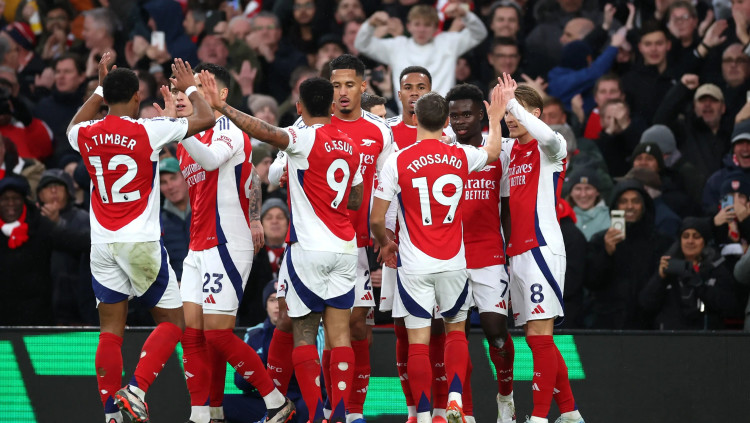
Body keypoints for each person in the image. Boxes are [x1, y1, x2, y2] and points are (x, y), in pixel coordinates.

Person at [199, 72, 364, 423]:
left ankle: (315, 415)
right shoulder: (351, 144)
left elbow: (264, 132)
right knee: (339, 335)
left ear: (299, 107)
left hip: (308, 248)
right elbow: (355, 198)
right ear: (332, 106)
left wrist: (223, 107)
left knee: (303, 332)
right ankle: (339, 414)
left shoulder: (302, 137)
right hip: (345, 247)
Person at [66, 55, 215, 423]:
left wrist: (99, 89)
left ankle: (111, 415)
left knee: (110, 332)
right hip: (140, 241)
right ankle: (135, 390)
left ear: (106, 97)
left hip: (102, 244)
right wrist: (190, 88)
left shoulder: (85, 132)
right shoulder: (149, 130)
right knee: (173, 322)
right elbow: (207, 118)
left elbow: (73, 124)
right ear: (136, 97)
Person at [161, 63, 293, 423]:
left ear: (220, 95)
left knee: (218, 335)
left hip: (226, 243)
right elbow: (249, 178)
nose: (187, 95)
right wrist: (172, 127)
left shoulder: (228, 128)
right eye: (182, 89)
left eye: (196, 87)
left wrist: (180, 129)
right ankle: (203, 413)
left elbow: (211, 161)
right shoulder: (187, 140)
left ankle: (275, 401)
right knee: (192, 334)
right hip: (197, 245)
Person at [370, 77, 505, 423]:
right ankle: (456, 398)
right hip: (453, 262)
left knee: (418, 342)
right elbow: (492, 151)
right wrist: (495, 118)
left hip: (415, 265)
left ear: (415, 118)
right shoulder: (461, 155)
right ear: (446, 121)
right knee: (455, 332)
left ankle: (425, 414)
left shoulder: (397, 161)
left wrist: (386, 243)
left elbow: (376, 218)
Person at [501, 79, 582, 423]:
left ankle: (538, 417)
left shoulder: (553, 146)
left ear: (535, 113)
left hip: (542, 249)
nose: (510, 118)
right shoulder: (509, 150)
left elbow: (546, 136)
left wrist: (512, 103)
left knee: (540, 337)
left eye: (517, 111)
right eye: (507, 112)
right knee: (535, 339)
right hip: (516, 253)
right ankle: (570, 412)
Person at [445, 82, 515, 422]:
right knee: (455, 335)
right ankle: (465, 411)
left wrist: (510, 252)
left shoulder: (500, 151)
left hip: (489, 254)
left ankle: (506, 398)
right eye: (454, 116)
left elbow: (507, 208)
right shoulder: (441, 151)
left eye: (467, 114)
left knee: (496, 332)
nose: (460, 121)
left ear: (481, 116)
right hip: (449, 256)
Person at [0, 175, 90, 326]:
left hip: (37, 318)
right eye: (4, 199)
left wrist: (107, 242)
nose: (10, 203)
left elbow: (74, 240)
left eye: (15, 198)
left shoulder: (40, 225)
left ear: (23, 201)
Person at [586, 179, 673, 330]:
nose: (630, 206)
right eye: (623, 201)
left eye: (636, 201)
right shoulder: (600, 240)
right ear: (616, 206)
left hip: (647, 325)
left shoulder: (661, 242)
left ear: (644, 205)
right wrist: (606, 253)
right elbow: (591, 282)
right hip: (607, 324)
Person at [225, 279, 316, 423]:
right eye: (272, 300)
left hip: (299, 400)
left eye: (281, 300)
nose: (277, 305)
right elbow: (240, 383)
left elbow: (319, 379)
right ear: (265, 305)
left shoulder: (309, 333)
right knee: (221, 403)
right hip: (265, 401)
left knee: (314, 406)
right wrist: (260, 366)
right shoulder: (254, 334)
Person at [354, 4, 487, 101]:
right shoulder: (397, 46)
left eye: (427, 25)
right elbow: (362, 44)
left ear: (435, 28)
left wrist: (465, 15)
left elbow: (479, 34)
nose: (421, 29)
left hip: (443, 118)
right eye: (417, 24)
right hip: (408, 117)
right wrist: (370, 24)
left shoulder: (448, 42)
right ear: (409, 26)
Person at [640, 217, 740, 330]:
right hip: (670, 334)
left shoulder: (716, 267)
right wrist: (660, 278)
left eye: (696, 237)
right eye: (685, 236)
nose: (690, 241)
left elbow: (729, 307)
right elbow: (646, 304)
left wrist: (700, 285)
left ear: (705, 241)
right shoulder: (669, 266)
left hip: (706, 334)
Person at [158, 157, 190, 282]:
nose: (170, 186)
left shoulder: (206, 211)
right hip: (176, 287)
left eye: (173, 178)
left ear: (185, 177)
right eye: (163, 182)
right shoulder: (157, 223)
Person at [565, 167, 610, 241]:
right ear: (571, 193)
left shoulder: (609, 216)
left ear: (597, 192)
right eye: (578, 189)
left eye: (588, 188)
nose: (583, 194)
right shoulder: (561, 217)